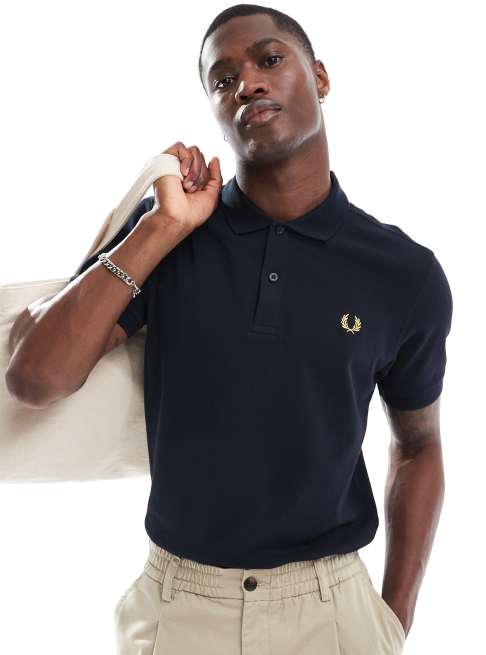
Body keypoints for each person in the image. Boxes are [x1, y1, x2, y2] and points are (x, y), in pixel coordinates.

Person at [8, 4, 453, 654]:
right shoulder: (168, 232)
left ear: (319, 77)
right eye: (222, 79)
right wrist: (158, 229)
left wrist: (394, 618)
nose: (246, 83)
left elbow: (418, 446)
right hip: (180, 610)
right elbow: (35, 377)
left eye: (269, 59)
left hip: (332, 611)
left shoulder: (402, 273)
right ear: (215, 110)